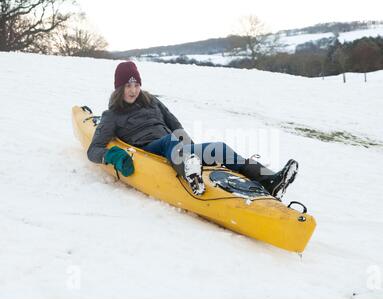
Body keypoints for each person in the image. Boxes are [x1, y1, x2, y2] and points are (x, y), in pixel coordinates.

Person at [87, 61, 299, 198]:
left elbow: (175, 125)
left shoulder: (152, 102)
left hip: (177, 151)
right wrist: (111, 155)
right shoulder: (112, 115)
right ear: (119, 88)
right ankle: (191, 174)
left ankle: (270, 180)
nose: (133, 90)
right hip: (149, 152)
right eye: (127, 86)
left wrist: (189, 146)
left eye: (136, 85)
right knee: (169, 140)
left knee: (219, 148)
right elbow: (93, 150)